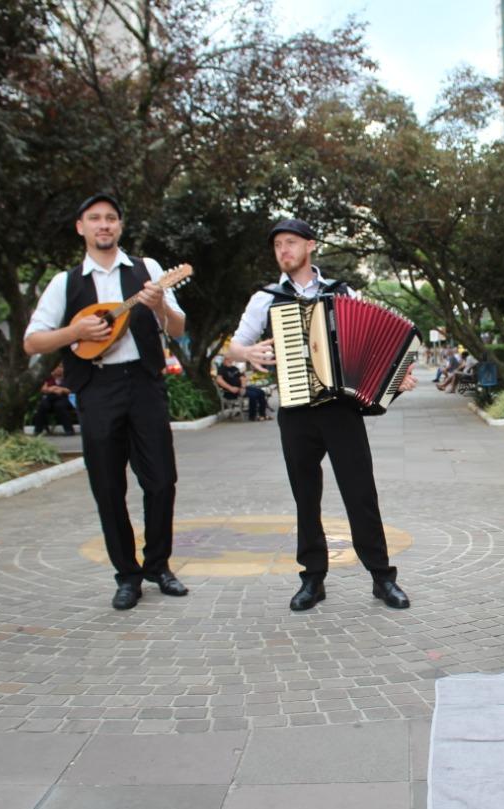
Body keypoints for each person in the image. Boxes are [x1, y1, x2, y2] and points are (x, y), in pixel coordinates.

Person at [229, 218, 416, 611]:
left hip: (340, 410)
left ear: (310, 246)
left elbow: (371, 344)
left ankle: (382, 577)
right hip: (295, 411)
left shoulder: (342, 292)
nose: (283, 250)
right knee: (305, 496)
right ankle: (313, 579)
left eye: (291, 242)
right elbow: (234, 348)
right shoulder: (265, 298)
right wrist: (248, 354)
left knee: (361, 493)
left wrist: (394, 379)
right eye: (278, 244)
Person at [23, 192, 189, 611]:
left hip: (145, 383)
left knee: (161, 480)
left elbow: (179, 326)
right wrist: (75, 333)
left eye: (111, 218)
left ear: (120, 226)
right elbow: (33, 341)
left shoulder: (148, 271)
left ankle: (159, 566)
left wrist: (159, 307)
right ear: (81, 227)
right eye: (94, 218)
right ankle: (127, 576)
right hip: (97, 388)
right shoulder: (66, 283)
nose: (104, 225)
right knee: (108, 486)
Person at [33, 364, 77, 435]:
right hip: (50, 399)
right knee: (43, 405)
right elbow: (43, 389)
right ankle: (37, 431)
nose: (58, 369)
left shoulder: (68, 377)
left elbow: (72, 390)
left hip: (65, 398)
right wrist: (52, 389)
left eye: (61, 367)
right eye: (56, 367)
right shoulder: (48, 378)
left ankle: (69, 430)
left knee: (59, 405)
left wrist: (62, 389)